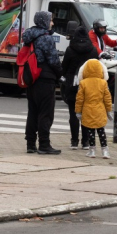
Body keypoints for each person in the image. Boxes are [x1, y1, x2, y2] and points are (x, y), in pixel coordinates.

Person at [23, 11, 62, 155]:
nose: (52, 23)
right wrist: (60, 73)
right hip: (45, 79)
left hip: (31, 78)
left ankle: (30, 143)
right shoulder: (46, 38)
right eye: (50, 20)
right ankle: (44, 144)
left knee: (33, 111)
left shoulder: (29, 36)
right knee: (45, 113)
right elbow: (53, 60)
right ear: (44, 21)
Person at [61, 26, 99, 150]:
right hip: (88, 85)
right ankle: (86, 142)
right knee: (86, 114)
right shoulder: (93, 50)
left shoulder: (70, 50)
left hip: (72, 84)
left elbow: (64, 68)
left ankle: (74, 141)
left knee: (73, 113)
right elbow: (97, 68)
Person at [75, 59, 113, 158]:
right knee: (101, 131)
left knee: (90, 131)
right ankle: (105, 150)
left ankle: (92, 151)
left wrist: (78, 111)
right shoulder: (103, 83)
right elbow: (107, 98)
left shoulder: (83, 83)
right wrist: (109, 110)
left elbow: (79, 99)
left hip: (88, 109)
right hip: (100, 109)